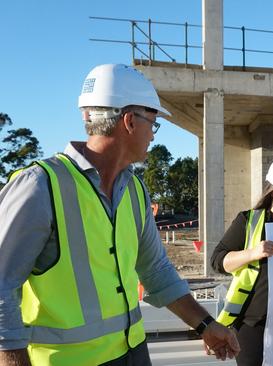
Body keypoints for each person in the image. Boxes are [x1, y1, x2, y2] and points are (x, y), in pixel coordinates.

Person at [0, 64, 239, 365]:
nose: (153, 135)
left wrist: (206, 324)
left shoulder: (135, 190)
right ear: (129, 121)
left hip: (133, 354)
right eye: (153, 123)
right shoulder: (40, 187)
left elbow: (156, 271)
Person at [211, 154, 273, 366]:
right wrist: (252, 253)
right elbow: (218, 261)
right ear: (272, 191)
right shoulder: (248, 221)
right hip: (252, 324)